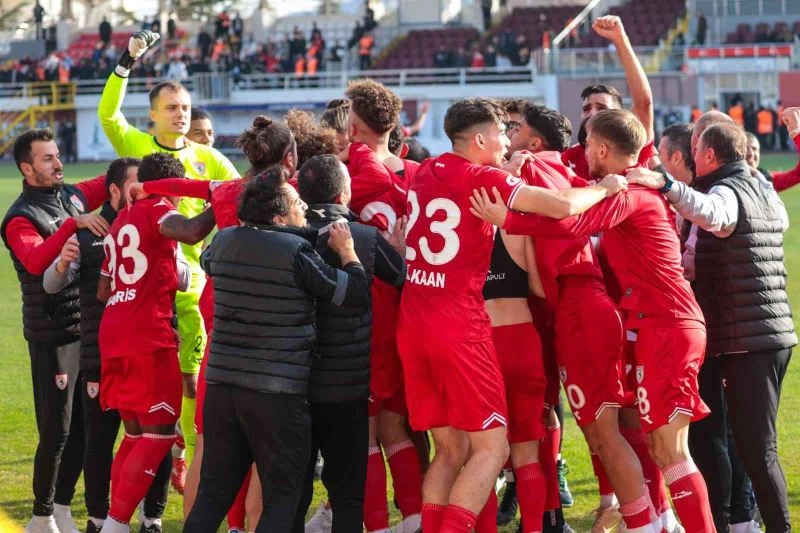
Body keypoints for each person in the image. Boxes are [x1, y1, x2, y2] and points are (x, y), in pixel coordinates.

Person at [471, 108, 717, 532]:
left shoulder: (630, 193)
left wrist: (508, 217)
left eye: (588, 145)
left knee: (656, 446)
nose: (582, 153)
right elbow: (582, 194)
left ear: (603, 148)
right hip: (652, 323)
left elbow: (570, 220)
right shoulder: (624, 188)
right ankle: (653, 522)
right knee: (643, 441)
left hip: (661, 324)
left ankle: (656, 524)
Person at [399, 97, 626, 532]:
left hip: (413, 322)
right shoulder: (483, 177)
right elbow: (560, 206)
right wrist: (605, 188)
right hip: (460, 327)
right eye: (502, 133)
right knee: (491, 446)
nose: (507, 140)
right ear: (480, 138)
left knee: (449, 450)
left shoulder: (427, 172)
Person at [128, 115, 300, 531]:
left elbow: (185, 187)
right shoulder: (288, 195)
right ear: (290, 158)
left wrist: (146, 187)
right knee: (267, 444)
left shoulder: (225, 189)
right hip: (271, 315)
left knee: (209, 435)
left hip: (220, 306)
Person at [629, 121, 796, 533]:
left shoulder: (724, 192)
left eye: (696, 147)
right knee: (745, 444)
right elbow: (773, 225)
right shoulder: (761, 188)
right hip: (769, 334)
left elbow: (715, 217)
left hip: (746, 337)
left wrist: (665, 185)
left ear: (707, 155)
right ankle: (731, 523)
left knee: (759, 451)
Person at [183, 165, 370, 533]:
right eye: (296, 202)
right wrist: (348, 253)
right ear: (279, 216)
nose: (304, 207)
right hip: (276, 395)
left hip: (223, 389)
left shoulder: (223, 241)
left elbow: (206, 259)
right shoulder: (296, 251)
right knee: (282, 499)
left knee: (213, 494)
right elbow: (352, 295)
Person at [98, 29, 240, 474]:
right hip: (147, 288)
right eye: (172, 108)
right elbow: (107, 115)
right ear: (153, 116)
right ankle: (163, 445)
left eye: (185, 107)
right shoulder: (138, 147)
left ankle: (185, 454)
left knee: (191, 378)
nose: (181, 115)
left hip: (191, 282)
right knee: (157, 382)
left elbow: (238, 193)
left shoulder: (208, 156)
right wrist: (127, 60)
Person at [41, 158, 174, 533]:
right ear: (114, 190)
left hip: (144, 343)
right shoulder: (88, 230)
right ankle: (101, 518)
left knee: (152, 434)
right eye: (136, 186)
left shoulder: (153, 223)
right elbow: (50, 284)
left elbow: (181, 277)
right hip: (101, 355)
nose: (143, 193)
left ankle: (152, 516)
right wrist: (63, 264)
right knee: (101, 440)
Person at [1, 129, 109, 533]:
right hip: (52, 337)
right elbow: (34, 262)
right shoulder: (19, 218)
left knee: (85, 425)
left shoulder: (71, 196)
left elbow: (113, 180)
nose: (58, 162)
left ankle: (62, 507)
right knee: (57, 431)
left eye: (58, 155)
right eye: (47, 158)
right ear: (27, 168)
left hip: (85, 330)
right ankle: (41, 515)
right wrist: (73, 225)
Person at [293, 154, 407, 533]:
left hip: (298, 383)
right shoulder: (364, 237)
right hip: (348, 385)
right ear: (344, 192)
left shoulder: (287, 235)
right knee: (348, 493)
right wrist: (397, 248)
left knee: (294, 489)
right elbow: (403, 279)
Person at [94, 153, 200, 533]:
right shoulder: (157, 208)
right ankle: (117, 523)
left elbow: (103, 289)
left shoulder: (119, 219)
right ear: (170, 187)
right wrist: (221, 202)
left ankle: (112, 519)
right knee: (159, 435)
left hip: (114, 330)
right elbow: (189, 232)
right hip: (147, 334)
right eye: (182, 188)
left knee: (135, 434)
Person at [344, 79, 424, 533]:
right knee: (398, 427)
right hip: (411, 307)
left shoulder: (351, 173)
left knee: (366, 432)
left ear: (354, 124)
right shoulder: (415, 172)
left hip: (368, 313)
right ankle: (413, 517)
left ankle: (376, 525)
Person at [561, 16, 657, 180]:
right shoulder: (567, 159)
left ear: (622, 117)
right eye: (586, 108)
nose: (592, 113)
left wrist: (620, 40)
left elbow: (643, 103)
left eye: (601, 108)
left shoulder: (632, 147)